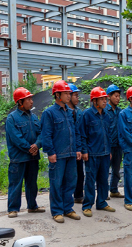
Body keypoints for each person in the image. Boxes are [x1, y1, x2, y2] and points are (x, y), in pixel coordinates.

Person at [41, 80, 82, 223]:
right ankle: (57, 211)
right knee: (56, 183)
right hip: (57, 155)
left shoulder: (70, 112)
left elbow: (75, 132)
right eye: (66, 93)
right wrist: (50, 152)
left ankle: (68, 208)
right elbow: (46, 135)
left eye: (69, 93)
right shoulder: (49, 113)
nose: (69, 96)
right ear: (57, 95)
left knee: (70, 182)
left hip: (71, 153)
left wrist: (77, 149)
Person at [5, 87, 44, 218]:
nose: (32, 101)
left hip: (32, 158)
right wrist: (30, 149)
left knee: (32, 183)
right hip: (19, 158)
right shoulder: (12, 118)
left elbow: (41, 134)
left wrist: (37, 145)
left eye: (31, 98)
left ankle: (32, 206)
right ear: (20, 102)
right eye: (28, 99)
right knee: (16, 184)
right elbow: (16, 138)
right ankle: (13, 209)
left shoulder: (33, 117)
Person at [79, 87, 116, 217]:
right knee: (90, 180)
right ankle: (87, 205)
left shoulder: (106, 115)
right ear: (94, 101)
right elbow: (82, 134)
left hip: (105, 153)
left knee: (103, 179)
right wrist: (84, 151)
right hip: (92, 153)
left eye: (105, 99)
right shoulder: (87, 115)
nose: (105, 101)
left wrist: (109, 150)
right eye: (102, 99)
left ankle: (101, 202)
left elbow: (108, 134)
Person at [106, 84, 125, 199]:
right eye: (115, 96)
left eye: (118, 96)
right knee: (104, 170)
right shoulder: (105, 111)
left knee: (116, 169)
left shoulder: (120, 112)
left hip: (118, 145)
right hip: (108, 146)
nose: (118, 98)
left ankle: (114, 190)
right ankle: (104, 191)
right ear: (109, 96)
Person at [67, 84, 85, 204]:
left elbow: (81, 132)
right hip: (66, 149)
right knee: (68, 176)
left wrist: (82, 149)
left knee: (80, 174)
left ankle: (78, 196)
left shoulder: (79, 112)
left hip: (77, 149)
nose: (78, 98)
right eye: (75, 95)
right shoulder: (63, 112)